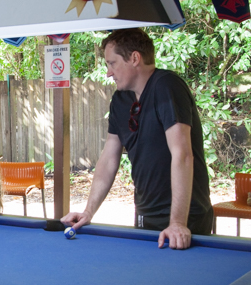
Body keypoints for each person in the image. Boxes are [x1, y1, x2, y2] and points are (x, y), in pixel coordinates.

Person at [61, 28, 212, 250]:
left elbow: (183, 154)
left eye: (112, 63)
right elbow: (109, 158)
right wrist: (88, 212)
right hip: (146, 212)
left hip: (186, 216)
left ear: (134, 58)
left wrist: (178, 223)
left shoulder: (167, 86)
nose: (108, 73)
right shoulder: (120, 100)